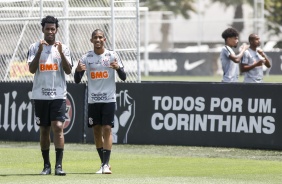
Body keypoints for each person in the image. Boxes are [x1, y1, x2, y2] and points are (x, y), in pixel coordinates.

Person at [74, 29, 126, 174]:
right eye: (95, 38)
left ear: (104, 39)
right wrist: (78, 71)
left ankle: (105, 164)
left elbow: (124, 77)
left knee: (107, 129)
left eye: (100, 37)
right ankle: (103, 164)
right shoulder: (86, 57)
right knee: (96, 131)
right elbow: (77, 81)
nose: (97, 40)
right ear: (91, 41)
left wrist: (118, 69)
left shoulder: (112, 55)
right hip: (93, 100)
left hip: (109, 99)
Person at [27, 15, 72, 176]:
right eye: (47, 29)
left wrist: (61, 53)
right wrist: (39, 51)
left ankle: (58, 166)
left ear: (57, 30)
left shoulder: (63, 48)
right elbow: (32, 70)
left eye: (53, 29)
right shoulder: (34, 47)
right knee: (44, 130)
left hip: (58, 95)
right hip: (40, 95)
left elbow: (68, 70)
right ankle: (46, 165)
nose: (50, 32)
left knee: (58, 127)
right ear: (43, 30)